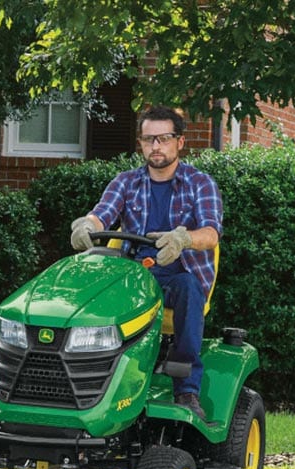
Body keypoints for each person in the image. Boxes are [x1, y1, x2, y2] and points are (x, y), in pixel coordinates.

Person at [69, 106, 222, 420]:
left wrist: (183, 239)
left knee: (190, 289)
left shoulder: (200, 184)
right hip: (134, 275)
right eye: (149, 139)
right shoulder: (126, 182)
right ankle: (87, 382)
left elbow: (210, 233)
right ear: (140, 143)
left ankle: (187, 389)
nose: (156, 146)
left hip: (178, 276)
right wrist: (86, 226)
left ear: (179, 142)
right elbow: (102, 214)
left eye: (164, 138)